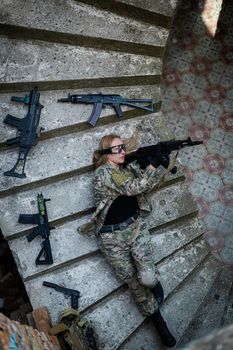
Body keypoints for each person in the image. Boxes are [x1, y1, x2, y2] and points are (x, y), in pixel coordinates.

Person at [91, 133, 176, 348]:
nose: (123, 151)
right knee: (135, 284)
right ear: (106, 155)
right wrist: (152, 164)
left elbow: (147, 184)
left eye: (123, 147)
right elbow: (133, 188)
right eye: (117, 149)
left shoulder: (127, 167)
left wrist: (160, 163)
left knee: (147, 279)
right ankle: (159, 322)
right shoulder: (103, 174)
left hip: (135, 227)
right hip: (112, 240)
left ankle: (154, 283)